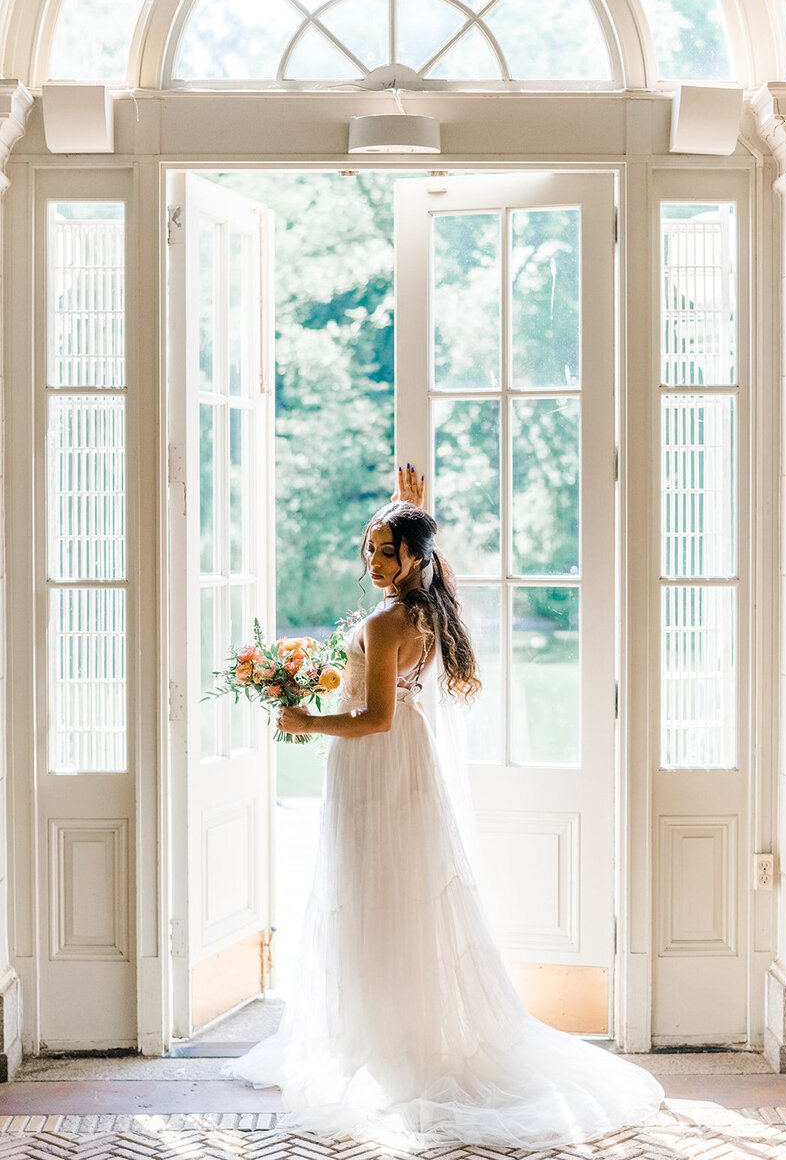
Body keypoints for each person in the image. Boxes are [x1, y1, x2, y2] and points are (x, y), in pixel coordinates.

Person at [221, 465, 667, 1150]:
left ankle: (379, 1042)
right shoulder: (423, 607)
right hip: (406, 763)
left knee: (372, 893)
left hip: (378, 762)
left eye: (384, 551)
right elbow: (405, 625)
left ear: (412, 560)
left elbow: (373, 719)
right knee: (400, 893)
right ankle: (397, 1028)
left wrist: (306, 724)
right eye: (368, 548)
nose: (372, 560)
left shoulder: (386, 620)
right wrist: (411, 510)